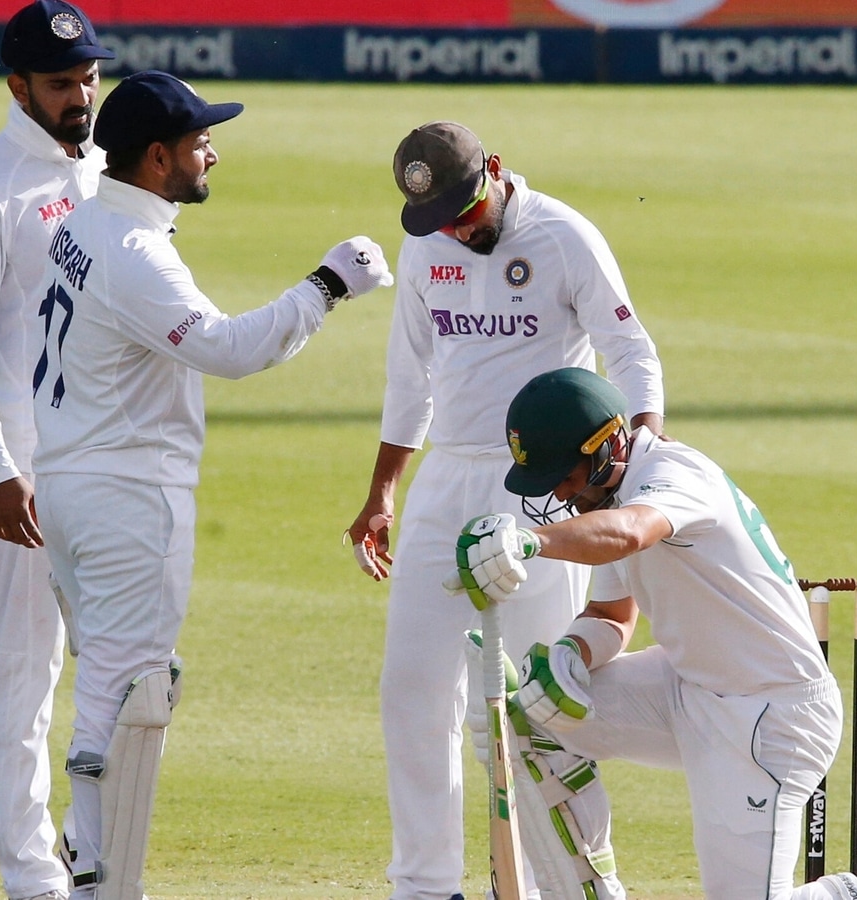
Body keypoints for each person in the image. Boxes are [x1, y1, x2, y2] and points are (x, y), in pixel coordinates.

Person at [29, 70, 395, 900]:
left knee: (110, 688)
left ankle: (88, 867)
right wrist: (327, 285)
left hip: (72, 483)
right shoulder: (134, 254)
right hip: (127, 496)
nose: (212, 153)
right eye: (198, 143)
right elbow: (229, 349)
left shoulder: (86, 218)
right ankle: (102, 883)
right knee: (135, 693)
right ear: (156, 158)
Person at [452, 366, 857, 900]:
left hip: (771, 714)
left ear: (604, 449)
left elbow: (632, 532)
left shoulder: (672, 476)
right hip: (687, 688)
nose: (563, 496)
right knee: (528, 714)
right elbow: (612, 615)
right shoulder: (611, 498)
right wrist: (572, 654)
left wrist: (532, 541)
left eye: (564, 478)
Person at [344, 121, 663, 900]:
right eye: (438, 219)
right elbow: (409, 375)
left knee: (537, 702)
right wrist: (384, 489)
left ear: (493, 170)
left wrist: (644, 466)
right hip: (446, 478)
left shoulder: (562, 235)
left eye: (463, 209)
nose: (456, 228)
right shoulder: (428, 244)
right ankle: (424, 886)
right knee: (412, 692)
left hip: (540, 485)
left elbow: (632, 356)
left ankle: (550, 880)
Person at [0, 2, 112, 897]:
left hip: (106, 453)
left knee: (120, 666)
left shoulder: (101, 166)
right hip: (33, 471)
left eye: (87, 77)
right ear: (18, 87)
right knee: (29, 669)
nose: (80, 95)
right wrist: (1, 469)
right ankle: (30, 872)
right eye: (60, 84)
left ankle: (95, 853)